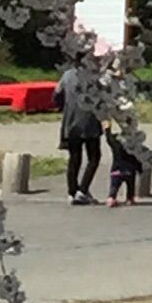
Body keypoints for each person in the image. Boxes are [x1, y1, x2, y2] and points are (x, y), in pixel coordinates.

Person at [56, 48, 105, 206]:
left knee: (74, 158)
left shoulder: (67, 75)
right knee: (94, 157)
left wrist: (63, 106)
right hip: (89, 121)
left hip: (70, 121)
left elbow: (56, 95)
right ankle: (83, 190)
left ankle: (72, 191)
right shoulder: (95, 78)